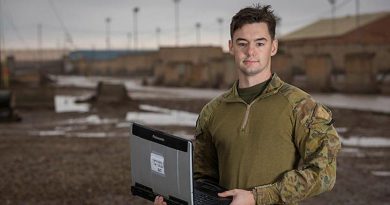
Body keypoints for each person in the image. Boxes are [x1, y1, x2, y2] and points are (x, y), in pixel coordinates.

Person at [154, 4, 341, 205]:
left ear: (273, 47)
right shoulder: (212, 111)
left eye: (260, 43)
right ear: (231, 46)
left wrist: (257, 197)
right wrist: (178, 200)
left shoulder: (301, 106)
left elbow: (324, 173)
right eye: (242, 43)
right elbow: (203, 181)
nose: (250, 51)